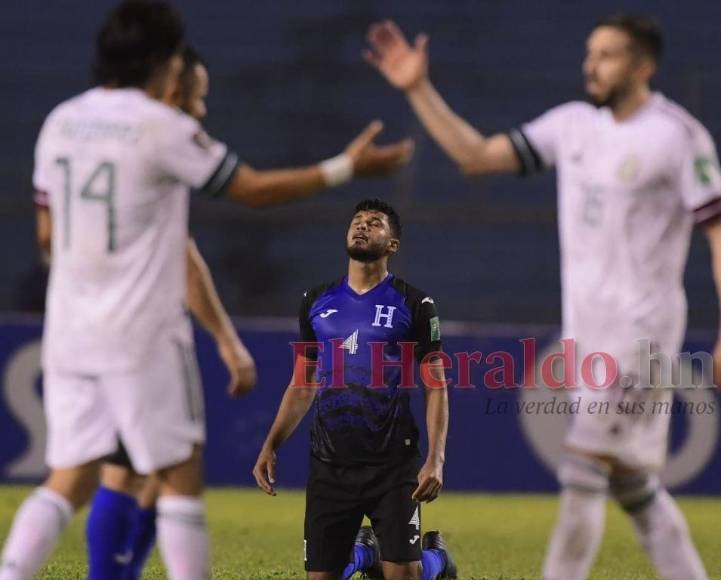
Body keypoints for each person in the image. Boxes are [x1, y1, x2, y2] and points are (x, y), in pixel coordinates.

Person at [0, 0, 412, 578]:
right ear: (163, 62)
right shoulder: (159, 127)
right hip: (140, 334)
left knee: (69, 476)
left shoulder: (61, 121)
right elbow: (251, 189)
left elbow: (48, 236)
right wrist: (346, 168)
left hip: (69, 329)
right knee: (179, 476)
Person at [364, 15, 721, 580]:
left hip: (641, 336)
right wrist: (418, 88)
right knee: (633, 485)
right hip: (588, 337)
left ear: (643, 65)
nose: (592, 64)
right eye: (590, 53)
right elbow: (476, 155)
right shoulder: (571, 127)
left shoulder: (677, 135)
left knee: (583, 466)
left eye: (609, 55)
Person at [79, 46, 256, 580]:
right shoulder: (153, 143)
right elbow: (187, 253)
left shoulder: (85, 131)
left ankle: (117, 571)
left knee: (129, 470)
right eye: (198, 97)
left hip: (94, 323)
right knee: (161, 466)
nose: (201, 110)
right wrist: (341, 168)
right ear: (173, 89)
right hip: (139, 332)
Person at [253, 199, 457, 580]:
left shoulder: (415, 303)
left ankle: (437, 560)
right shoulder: (315, 302)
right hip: (330, 463)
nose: (362, 226)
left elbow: (436, 385)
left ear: (392, 245)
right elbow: (303, 382)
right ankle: (364, 553)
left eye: (375, 223)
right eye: (357, 221)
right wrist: (271, 445)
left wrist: (436, 457)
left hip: (394, 464)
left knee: (403, 576)